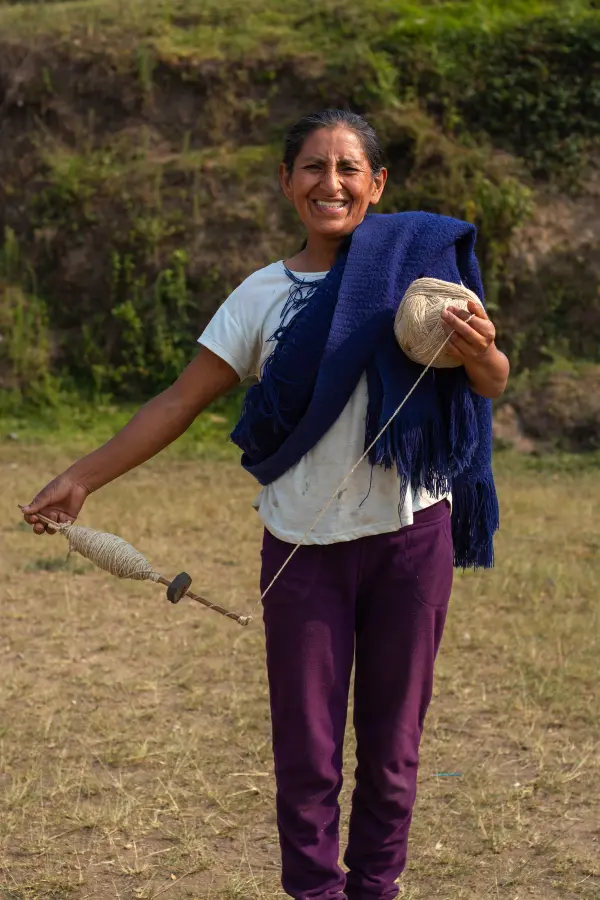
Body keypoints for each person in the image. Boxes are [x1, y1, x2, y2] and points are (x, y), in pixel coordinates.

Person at [22, 110, 509, 900]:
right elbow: (180, 400)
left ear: (377, 184)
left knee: (393, 748)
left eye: (351, 168)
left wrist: (481, 349)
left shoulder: (419, 280)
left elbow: (492, 379)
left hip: (410, 540)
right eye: (313, 167)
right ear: (287, 183)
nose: (332, 183)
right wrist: (84, 476)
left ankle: (376, 887)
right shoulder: (261, 296)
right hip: (301, 551)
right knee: (307, 752)